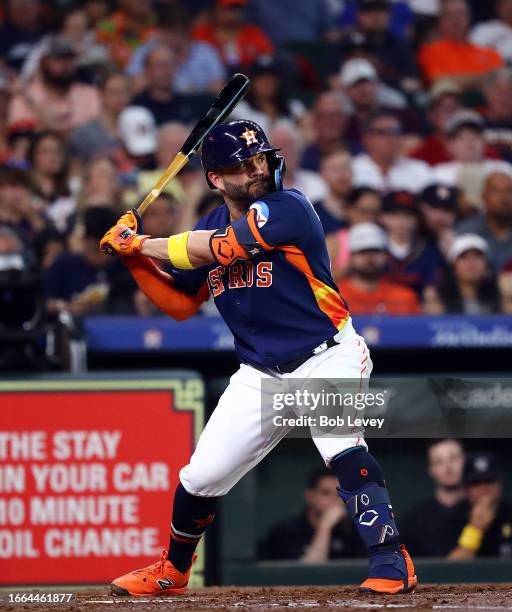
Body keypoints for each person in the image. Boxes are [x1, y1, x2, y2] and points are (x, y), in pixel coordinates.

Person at [100, 119, 417, 596]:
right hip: (260, 372)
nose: (257, 170)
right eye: (242, 165)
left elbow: (225, 247)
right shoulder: (207, 223)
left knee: (340, 445)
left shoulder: (288, 207)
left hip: (326, 355)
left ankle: (393, 560)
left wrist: (143, 243)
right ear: (215, 178)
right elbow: (181, 306)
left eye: (260, 159)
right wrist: (133, 261)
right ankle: (173, 570)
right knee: (201, 476)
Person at [260, 468, 363, 561]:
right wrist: (325, 527)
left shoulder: (356, 532)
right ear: (309, 496)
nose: (334, 500)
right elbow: (305, 576)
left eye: (339, 494)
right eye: (325, 493)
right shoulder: (285, 532)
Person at [7, 35, 101, 133]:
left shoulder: (89, 93)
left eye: (70, 59)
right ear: (44, 63)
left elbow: (99, 133)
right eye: (59, 59)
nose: (66, 65)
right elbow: (23, 137)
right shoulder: (25, 97)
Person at [400, 439, 468, 557]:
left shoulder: (482, 511)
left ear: (466, 461)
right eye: (439, 462)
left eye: (454, 458)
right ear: (431, 470)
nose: (448, 467)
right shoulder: (414, 519)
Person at [433, 110, 512, 206]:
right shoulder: (439, 174)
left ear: (484, 140)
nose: (469, 143)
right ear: (450, 144)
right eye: (462, 138)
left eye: (474, 137)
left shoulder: (504, 169)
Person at [338, 223, 421, 314]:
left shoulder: (404, 298)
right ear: (351, 256)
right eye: (363, 252)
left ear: (385, 256)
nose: (370, 258)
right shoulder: (334, 298)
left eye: (375, 251)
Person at [418, 0, 504, 87]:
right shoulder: (430, 52)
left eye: (460, 14)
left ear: (469, 18)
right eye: (449, 15)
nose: (456, 20)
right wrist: (484, 78)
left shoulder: (490, 54)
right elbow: (439, 82)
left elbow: (501, 81)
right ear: (439, 21)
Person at [380, 190, 444, 296]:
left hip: (417, 309)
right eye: (395, 215)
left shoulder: (427, 251)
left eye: (408, 216)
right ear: (383, 217)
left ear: (417, 220)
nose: (402, 221)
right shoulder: (375, 248)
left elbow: (431, 291)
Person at [449, 452, 512, 559]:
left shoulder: (509, 513)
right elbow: (447, 570)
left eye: (489, 481)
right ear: (466, 489)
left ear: (500, 484)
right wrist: (475, 529)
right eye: (476, 483)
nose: (484, 488)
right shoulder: (452, 519)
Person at [352, 112, 433, 193]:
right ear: (365, 138)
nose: (390, 138)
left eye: (395, 132)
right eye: (382, 132)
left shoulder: (420, 170)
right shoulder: (352, 169)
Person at [132, 45, 211, 126]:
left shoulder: (189, 103)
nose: (167, 71)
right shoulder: (136, 107)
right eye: (160, 66)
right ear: (147, 70)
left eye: (171, 65)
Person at [430, 234, 502, 314]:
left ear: (487, 265)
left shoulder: (502, 298)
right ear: (452, 267)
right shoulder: (438, 300)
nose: (471, 262)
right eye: (463, 257)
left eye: (477, 256)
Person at [191, 0, 274, 69]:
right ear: (215, 10)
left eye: (238, 8)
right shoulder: (201, 34)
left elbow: (268, 60)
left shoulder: (254, 34)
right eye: (229, 9)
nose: (235, 13)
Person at [456, 171, 512, 270]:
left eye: (509, 191)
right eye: (496, 191)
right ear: (483, 197)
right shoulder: (466, 231)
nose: (504, 197)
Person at [327, 187, 382, 281]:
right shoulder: (333, 242)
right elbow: (319, 282)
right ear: (348, 210)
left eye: (375, 212)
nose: (370, 217)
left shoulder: (384, 238)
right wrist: (352, 266)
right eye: (363, 211)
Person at [300, 92, 347, 172]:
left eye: (336, 115)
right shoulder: (304, 160)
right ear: (315, 121)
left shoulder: (359, 153)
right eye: (324, 116)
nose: (331, 121)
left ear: (344, 120)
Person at [313, 148, 353, 236]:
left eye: (345, 167)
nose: (342, 175)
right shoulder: (312, 214)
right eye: (335, 169)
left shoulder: (364, 207)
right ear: (322, 174)